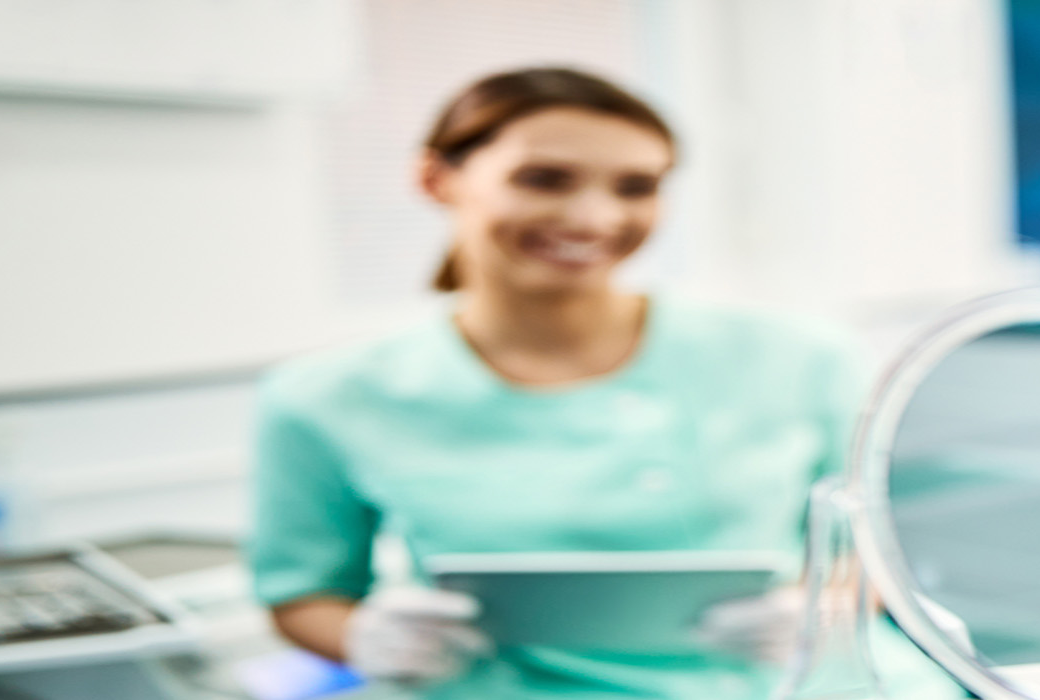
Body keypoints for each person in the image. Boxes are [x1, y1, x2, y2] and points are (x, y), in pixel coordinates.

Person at [246, 67, 945, 699]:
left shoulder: (798, 356)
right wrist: (364, 639)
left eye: (636, 187)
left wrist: (823, 612)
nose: (595, 218)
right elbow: (304, 595)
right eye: (544, 179)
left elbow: (878, 553)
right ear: (436, 179)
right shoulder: (326, 397)